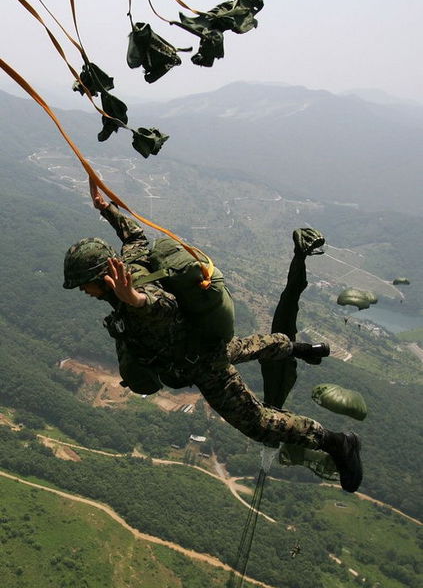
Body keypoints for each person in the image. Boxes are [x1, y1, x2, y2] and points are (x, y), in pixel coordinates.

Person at [63, 179, 362, 492]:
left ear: (102, 277)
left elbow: (164, 306)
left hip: (204, 365)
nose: (84, 290)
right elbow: (134, 236)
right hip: (202, 342)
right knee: (250, 346)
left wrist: (136, 301)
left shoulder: (132, 292)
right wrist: (106, 209)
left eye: (84, 284)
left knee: (260, 424)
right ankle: (299, 348)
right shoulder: (130, 261)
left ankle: (337, 443)